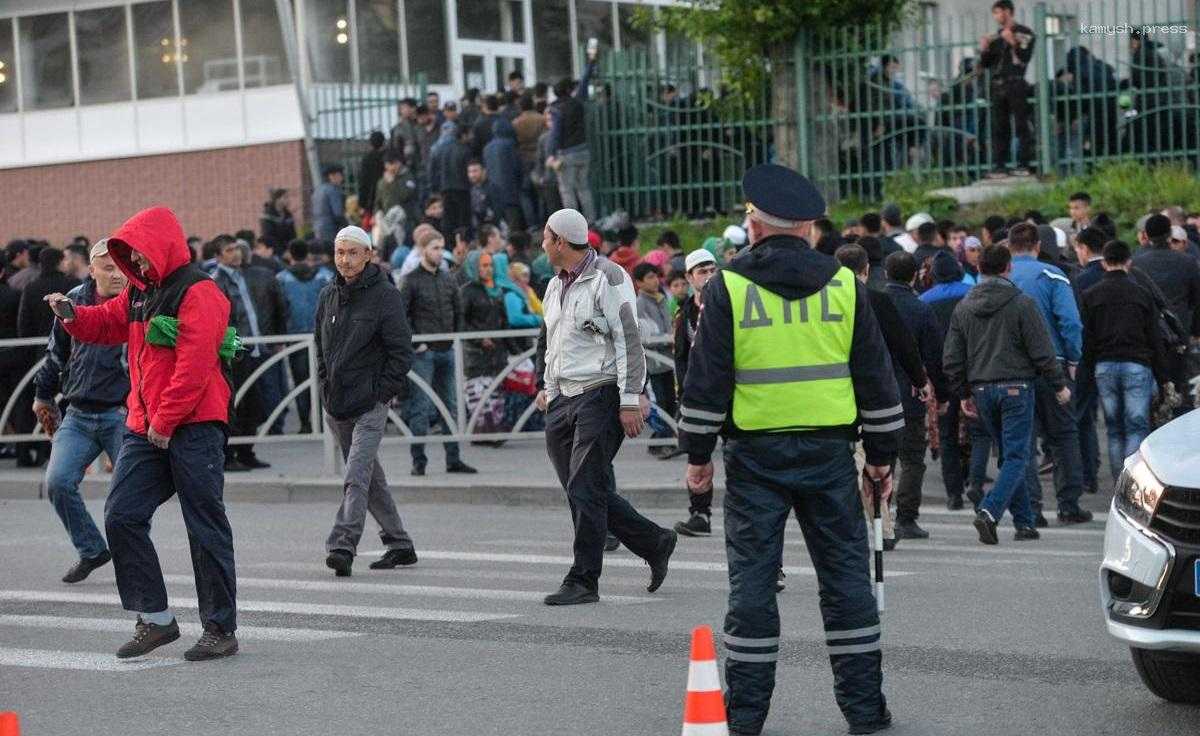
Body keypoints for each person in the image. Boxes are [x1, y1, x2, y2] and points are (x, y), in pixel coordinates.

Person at [678, 165, 901, 735]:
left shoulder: (727, 286)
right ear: (807, 228)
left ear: (754, 226)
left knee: (752, 587)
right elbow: (876, 379)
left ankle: (745, 718)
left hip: (755, 460)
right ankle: (865, 711)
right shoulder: (845, 284)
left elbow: (707, 380)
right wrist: (881, 457)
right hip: (831, 456)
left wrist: (697, 457)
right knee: (847, 583)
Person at [48, 206, 239, 661]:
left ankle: (220, 628)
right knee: (122, 516)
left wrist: (165, 422)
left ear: (162, 247)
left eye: (138, 256)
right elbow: (105, 324)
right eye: (127, 257)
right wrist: (72, 315)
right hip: (144, 425)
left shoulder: (200, 291)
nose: (133, 266)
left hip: (191, 426)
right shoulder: (139, 292)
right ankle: (154, 619)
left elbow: (194, 368)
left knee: (204, 526)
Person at [534, 207, 677, 606]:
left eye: (545, 237)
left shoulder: (609, 277)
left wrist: (631, 399)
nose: (542, 244)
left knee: (584, 486)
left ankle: (583, 579)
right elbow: (552, 344)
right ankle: (655, 541)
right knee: (583, 488)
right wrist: (547, 388)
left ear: (560, 241)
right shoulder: (552, 285)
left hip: (601, 394)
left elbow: (628, 340)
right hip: (562, 398)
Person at [307, 226, 418, 577]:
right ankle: (399, 544)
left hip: (370, 404)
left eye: (353, 252)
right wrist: (325, 385)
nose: (345, 260)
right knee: (371, 479)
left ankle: (342, 543)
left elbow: (401, 353)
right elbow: (319, 348)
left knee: (356, 475)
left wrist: (381, 393)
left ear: (368, 255)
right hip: (337, 404)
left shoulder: (385, 295)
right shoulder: (328, 295)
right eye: (340, 252)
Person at [944, 244, 1066, 545]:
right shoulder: (1022, 303)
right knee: (1017, 456)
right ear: (1008, 267)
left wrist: (962, 392)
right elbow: (1042, 350)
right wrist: (1058, 384)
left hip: (982, 389)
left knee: (1009, 458)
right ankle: (990, 510)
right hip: (1017, 387)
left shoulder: (964, 306)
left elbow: (952, 357)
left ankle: (1024, 523)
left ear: (978, 269)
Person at [33, 240, 129, 584]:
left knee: (128, 501)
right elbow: (55, 353)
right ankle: (92, 549)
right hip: (78, 412)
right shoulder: (72, 299)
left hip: (122, 413)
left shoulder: (138, 301)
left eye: (120, 266)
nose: (116, 273)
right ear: (92, 269)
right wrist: (43, 397)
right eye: (107, 267)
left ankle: (134, 567)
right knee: (58, 482)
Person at [1007, 223, 1091, 525]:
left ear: (1009, 247)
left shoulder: (999, 279)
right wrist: (1073, 358)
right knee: (1064, 435)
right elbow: (1070, 321)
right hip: (1053, 366)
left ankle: (1032, 508)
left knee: (1023, 441)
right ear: (1038, 246)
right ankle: (1068, 505)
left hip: (1013, 372)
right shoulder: (1053, 275)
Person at [1080, 240, 1170, 484]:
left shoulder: (1091, 295)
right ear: (1129, 262)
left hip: (1104, 366)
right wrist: (1164, 378)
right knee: (1136, 425)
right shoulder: (1141, 293)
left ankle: (1118, 480)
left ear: (1104, 262)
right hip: (1137, 365)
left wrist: (1084, 375)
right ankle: (1131, 482)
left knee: (1113, 427)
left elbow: (1087, 339)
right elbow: (1154, 337)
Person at [881, 251, 948, 539]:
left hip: (876, 393)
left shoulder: (872, 305)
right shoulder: (920, 309)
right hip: (911, 393)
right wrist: (942, 394)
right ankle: (906, 517)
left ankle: (880, 517)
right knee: (911, 458)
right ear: (914, 276)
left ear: (885, 273)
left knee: (881, 458)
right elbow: (935, 357)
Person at [399, 229, 476, 476]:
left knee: (450, 406)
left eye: (441, 248)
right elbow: (402, 316)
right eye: (434, 248)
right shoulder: (410, 280)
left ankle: (453, 459)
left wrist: (456, 338)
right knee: (420, 408)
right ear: (423, 250)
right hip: (424, 352)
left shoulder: (447, 278)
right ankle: (418, 460)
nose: (439, 253)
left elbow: (458, 310)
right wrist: (415, 343)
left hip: (446, 349)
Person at [920, 252, 975, 509]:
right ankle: (973, 480)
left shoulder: (925, 301)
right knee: (977, 431)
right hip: (973, 371)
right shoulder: (972, 293)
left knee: (947, 434)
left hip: (940, 374)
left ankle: (953, 493)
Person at [1133, 213, 1200, 417]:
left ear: (1145, 235)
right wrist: (1195, 330)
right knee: (1181, 384)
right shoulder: (1187, 261)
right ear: (1169, 233)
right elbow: (1197, 300)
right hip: (1179, 331)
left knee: (1151, 386)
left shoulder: (1137, 263)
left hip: (1148, 334)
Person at [276, 239, 333, 434]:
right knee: (323, 379)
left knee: (301, 381)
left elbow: (280, 310)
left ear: (290, 255)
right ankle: (322, 420)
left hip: (296, 337)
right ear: (308, 254)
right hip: (322, 336)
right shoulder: (325, 276)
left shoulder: (282, 279)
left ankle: (305, 422)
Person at [980, 0, 1036, 177]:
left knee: (1021, 125)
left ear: (1008, 12)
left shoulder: (1024, 33)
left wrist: (1013, 42)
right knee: (999, 126)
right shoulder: (996, 37)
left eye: (998, 12)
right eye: (994, 13)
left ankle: (1023, 164)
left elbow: (1024, 57)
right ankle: (999, 165)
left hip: (1015, 83)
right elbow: (986, 64)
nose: (996, 16)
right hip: (998, 85)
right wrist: (985, 49)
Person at [632, 262, 678, 458]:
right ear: (639, 283)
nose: (655, 281)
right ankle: (659, 441)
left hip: (666, 359)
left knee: (670, 402)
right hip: (654, 362)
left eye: (656, 276)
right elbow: (646, 333)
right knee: (662, 402)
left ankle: (665, 440)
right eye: (649, 277)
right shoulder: (640, 304)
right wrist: (666, 337)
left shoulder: (661, 299)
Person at [548, 52, 599, 222]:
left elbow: (555, 133)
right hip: (583, 151)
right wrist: (590, 62)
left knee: (567, 190)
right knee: (584, 188)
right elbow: (584, 81)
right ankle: (591, 220)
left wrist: (551, 154)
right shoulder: (578, 102)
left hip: (567, 154)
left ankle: (573, 224)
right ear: (570, 90)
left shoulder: (556, 109)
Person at [459, 250, 510, 379]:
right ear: (475, 267)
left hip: (499, 355)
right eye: (484, 266)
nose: (489, 269)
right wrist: (479, 339)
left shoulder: (497, 290)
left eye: (491, 265)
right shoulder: (466, 292)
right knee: (480, 397)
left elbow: (504, 320)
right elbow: (461, 321)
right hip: (476, 356)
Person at [483, 116, 524, 231]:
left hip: (494, 188)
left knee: (501, 221)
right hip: (510, 187)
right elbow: (517, 166)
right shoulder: (510, 144)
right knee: (513, 219)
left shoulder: (487, 148)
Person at [312, 164, 347, 244]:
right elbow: (338, 214)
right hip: (330, 229)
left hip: (317, 228)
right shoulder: (333, 190)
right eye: (340, 175)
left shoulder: (318, 190)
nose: (342, 178)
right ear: (331, 176)